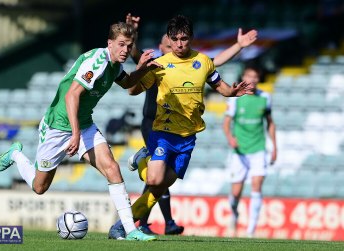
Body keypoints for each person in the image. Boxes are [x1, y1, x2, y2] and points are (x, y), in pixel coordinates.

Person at [0, 21, 163, 241]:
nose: (125, 50)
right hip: (57, 126)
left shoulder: (115, 66)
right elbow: (71, 95)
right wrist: (74, 134)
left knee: (112, 168)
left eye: (129, 46)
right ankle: (15, 154)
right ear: (109, 43)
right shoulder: (98, 61)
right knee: (39, 187)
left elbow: (129, 85)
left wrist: (142, 68)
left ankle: (130, 230)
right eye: (121, 44)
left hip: (84, 124)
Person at [108, 14, 256, 240]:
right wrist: (141, 68)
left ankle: (120, 226)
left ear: (191, 38)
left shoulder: (203, 62)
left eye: (184, 39)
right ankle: (142, 162)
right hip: (163, 133)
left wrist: (234, 92)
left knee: (157, 188)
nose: (179, 44)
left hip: (188, 138)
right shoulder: (161, 64)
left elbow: (222, 87)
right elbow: (132, 90)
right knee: (155, 181)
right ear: (169, 38)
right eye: (175, 39)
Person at [222, 65, 277, 237]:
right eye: (249, 76)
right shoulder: (235, 98)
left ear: (258, 78)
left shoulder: (265, 98)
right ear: (243, 77)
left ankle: (251, 230)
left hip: (258, 149)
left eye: (255, 76)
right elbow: (226, 123)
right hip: (240, 151)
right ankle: (234, 213)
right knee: (236, 192)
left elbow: (270, 123)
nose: (252, 79)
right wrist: (230, 138)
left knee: (257, 186)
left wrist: (274, 147)